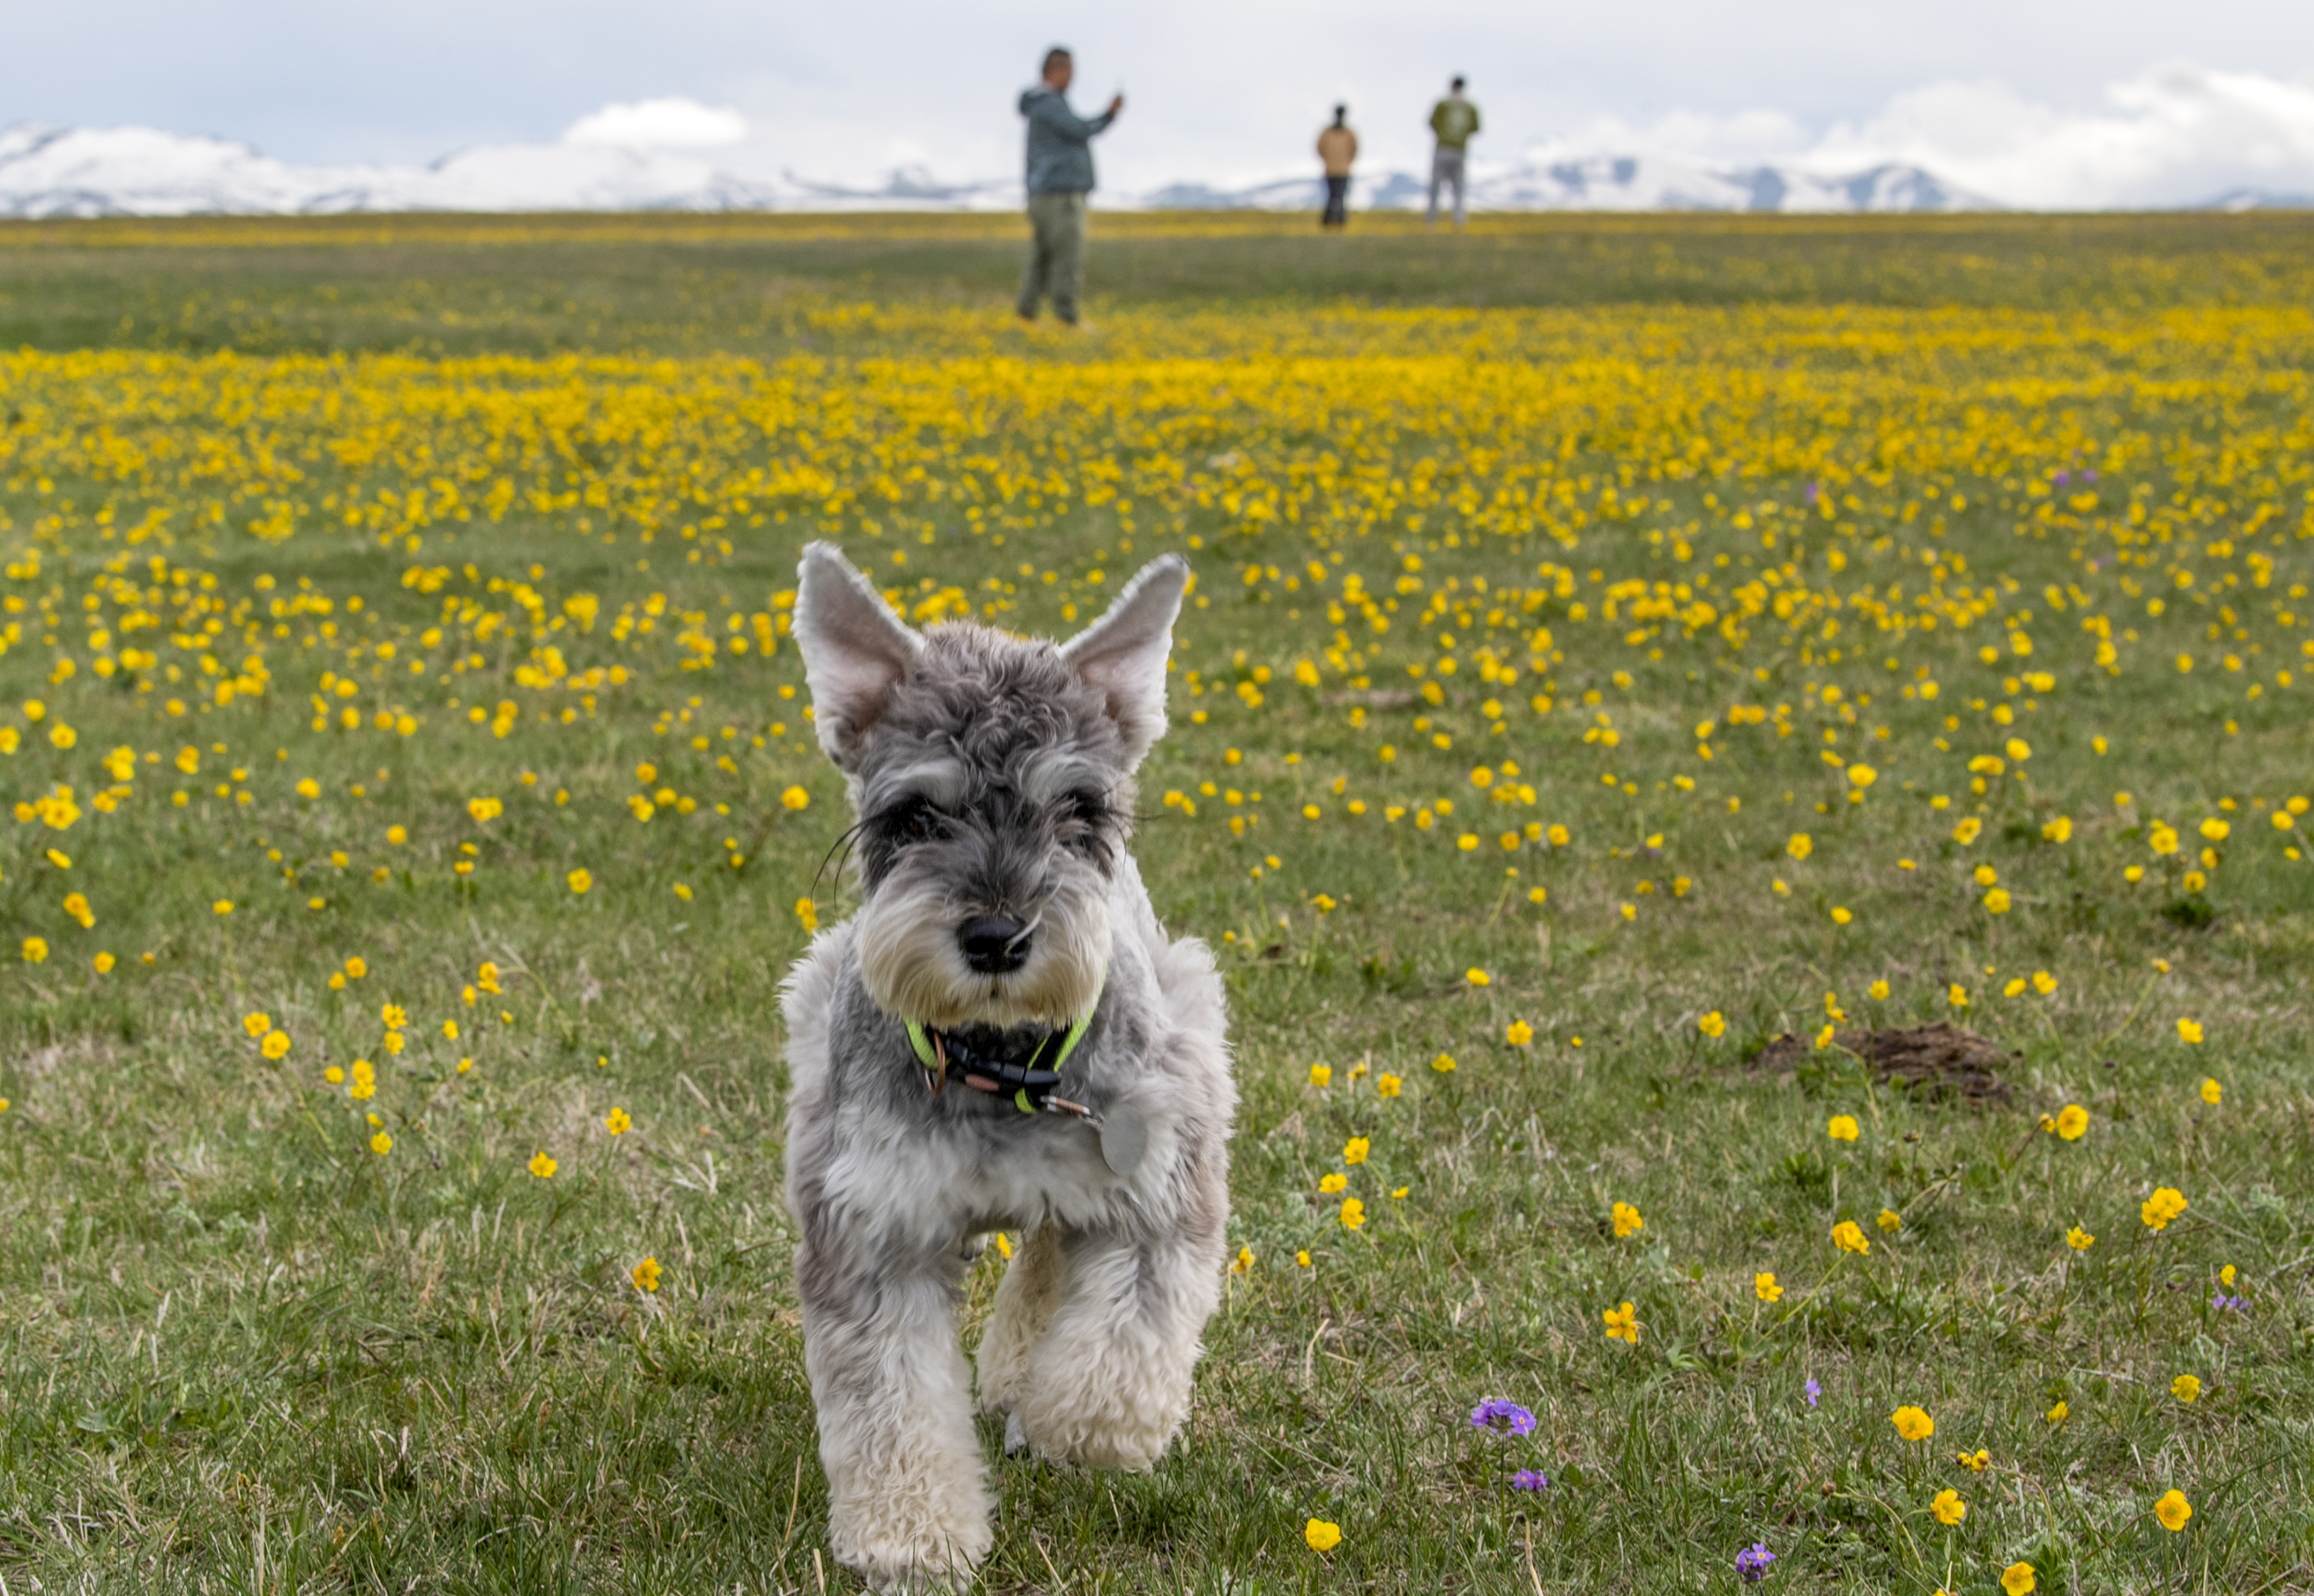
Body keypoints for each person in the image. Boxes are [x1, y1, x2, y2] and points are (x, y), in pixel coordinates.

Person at [1017, 47, 1121, 326]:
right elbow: (1079, 130)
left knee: (1042, 256)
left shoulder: (1041, 104)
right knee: (1067, 257)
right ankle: (1068, 319)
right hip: (1059, 195)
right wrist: (1109, 115)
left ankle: (1026, 314)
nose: (1073, 79)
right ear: (1055, 71)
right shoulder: (1050, 104)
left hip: (1042, 194)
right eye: (1070, 72)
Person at [1426, 75, 1479, 227]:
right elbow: (1475, 128)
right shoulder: (1469, 107)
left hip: (1443, 148)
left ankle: (1432, 219)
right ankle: (1459, 220)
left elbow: (1432, 123)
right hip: (1459, 149)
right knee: (1458, 187)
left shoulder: (1443, 105)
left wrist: (1443, 134)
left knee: (1436, 185)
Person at [1317, 104, 1357, 229]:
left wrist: (1328, 160)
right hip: (1341, 170)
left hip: (1332, 169)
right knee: (1339, 196)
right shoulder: (1348, 133)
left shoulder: (1328, 132)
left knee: (1334, 196)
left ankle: (1330, 221)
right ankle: (1338, 220)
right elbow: (1354, 149)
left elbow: (1320, 148)